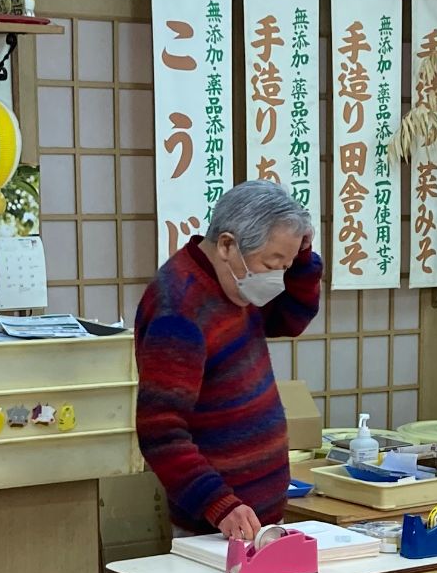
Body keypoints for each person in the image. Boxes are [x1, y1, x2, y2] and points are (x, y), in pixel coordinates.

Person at [134, 181, 321, 542]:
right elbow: (160, 431)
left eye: (284, 265)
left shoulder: (235, 281)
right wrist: (219, 504)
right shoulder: (179, 308)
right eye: (272, 263)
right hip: (215, 524)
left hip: (255, 515)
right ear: (226, 245)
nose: (275, 277)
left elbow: (290, 320)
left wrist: (302, 258)